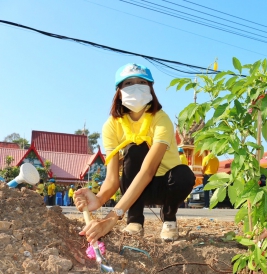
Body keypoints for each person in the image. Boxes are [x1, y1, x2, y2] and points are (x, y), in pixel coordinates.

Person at [74, 63, 195, 241]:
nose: (136, 87)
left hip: (164, 185)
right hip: (134, 189)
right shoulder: (111, 126)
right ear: (119, 91)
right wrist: (99, 199)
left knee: (184, 174)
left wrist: (111, 218)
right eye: (128, 84)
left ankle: (169, 217)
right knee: (135, 150)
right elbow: (113, 179)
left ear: (151, 89)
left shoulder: (161, 120)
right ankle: (134, 221)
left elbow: (148, 171)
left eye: (142, 82)